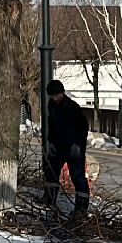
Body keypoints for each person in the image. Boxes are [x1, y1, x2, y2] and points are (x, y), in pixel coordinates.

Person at [43, 80, 92, 217]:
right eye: (52, 96)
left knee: (77, 176)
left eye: (57, 95)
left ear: (62, 93)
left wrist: (77, 145)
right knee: (50, 172)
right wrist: (51, 142)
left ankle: (81, 208)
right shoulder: (51, 106)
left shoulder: (72, 107)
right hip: (58, 146)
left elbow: (83, 127)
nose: (55, 98)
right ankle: (49, 200)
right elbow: (51, 126)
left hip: (73, 147)